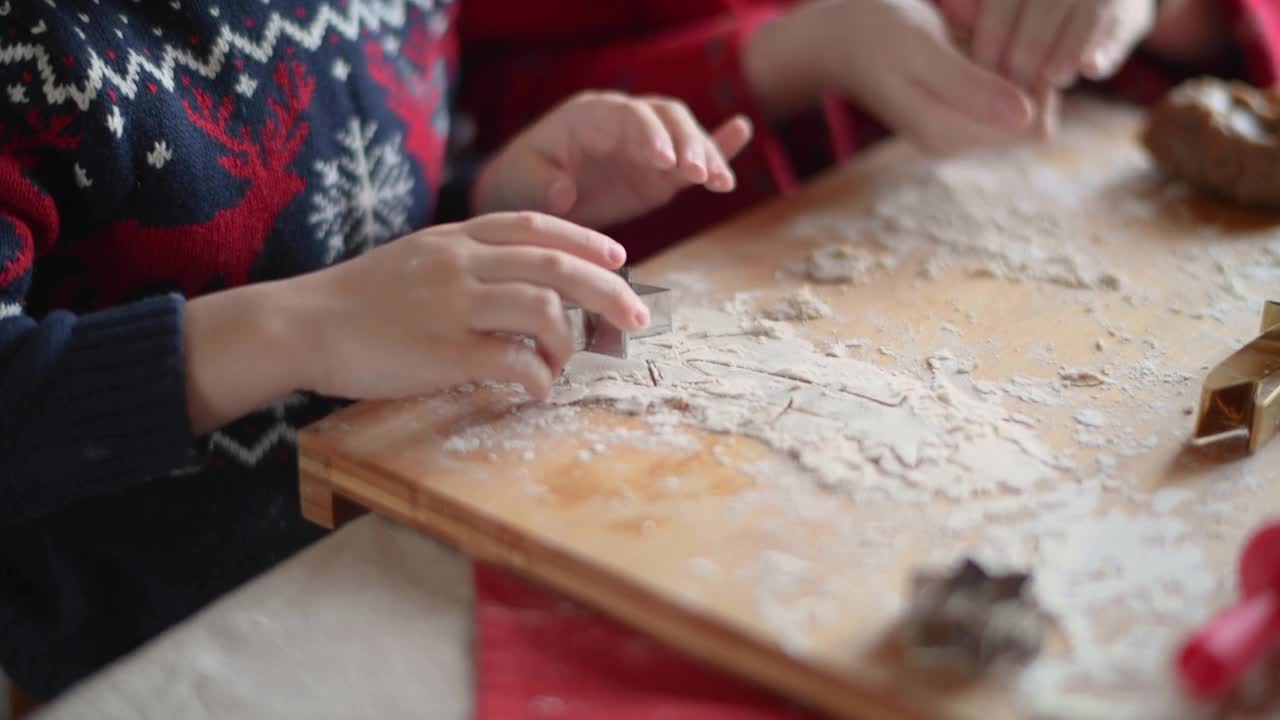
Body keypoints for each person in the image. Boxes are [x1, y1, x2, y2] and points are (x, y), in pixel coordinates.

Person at [0, 1, 754, 707]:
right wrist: (303, 326)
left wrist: (494, 207)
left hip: (416, 545)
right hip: (161, 642)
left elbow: (364, 232)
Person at [458, 0, 1280, 260]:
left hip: (1054, 210)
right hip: (738, 277)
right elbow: (488, 117)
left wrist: (1165, 9)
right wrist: (796, 52)